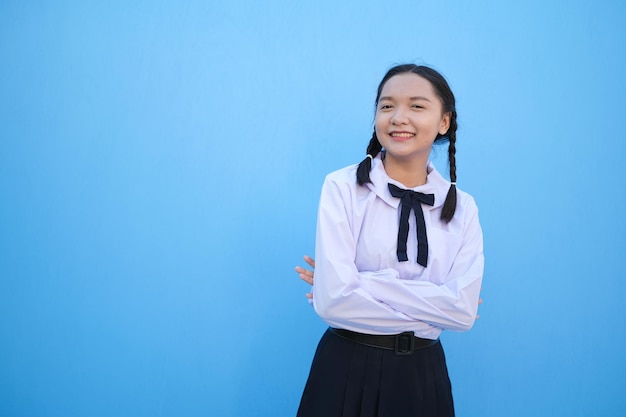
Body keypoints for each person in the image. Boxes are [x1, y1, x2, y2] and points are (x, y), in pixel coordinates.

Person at [295, 64, 484, 417]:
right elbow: (333, 303)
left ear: (444, 122)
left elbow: (462, 313)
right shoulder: (342, 187)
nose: (399, 117)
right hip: (345, 367)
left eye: (416, 106)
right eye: (386, 106)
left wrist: (363, 282)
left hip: (423, 376)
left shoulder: (464, 208)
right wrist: (436, 302)